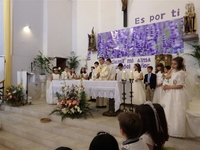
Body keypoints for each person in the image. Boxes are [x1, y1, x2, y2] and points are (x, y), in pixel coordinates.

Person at [161, 56, 188, 137]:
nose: (173, 65)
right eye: (172, 63)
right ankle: (168, 129)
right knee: (168, 109)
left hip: (177, 93)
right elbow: (166, 77)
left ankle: (176, 130)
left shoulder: (181, 73)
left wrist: (168, 87)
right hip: (171, 92)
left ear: (180, 64)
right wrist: (171, 70)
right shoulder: (174, 71)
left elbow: (180, 85)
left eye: (175, 64)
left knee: (176, 110)